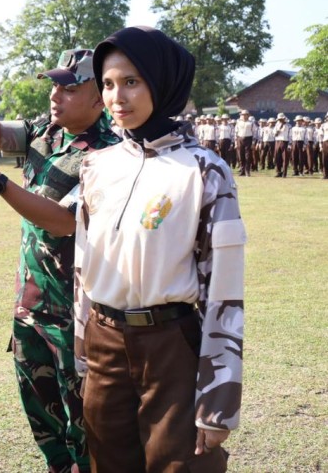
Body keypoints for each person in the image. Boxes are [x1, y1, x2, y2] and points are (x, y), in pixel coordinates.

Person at [0, 48, 120, 473]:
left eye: (70, 87)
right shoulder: (43, 133)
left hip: (77, 312)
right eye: (54, 85)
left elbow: (64, 222)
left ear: (98, 95)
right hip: (31, 305)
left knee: (84, 420)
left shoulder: (110, 152)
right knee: (42, 413)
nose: (56, 94)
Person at [74, 26, 245, 472]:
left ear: (163, 82)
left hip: (172, 345)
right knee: (106, 462)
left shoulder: (205, 171)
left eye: (131, 81)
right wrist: (83, 355)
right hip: (104, 340)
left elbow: (222, 287)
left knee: (180, 465)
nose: (117, 96)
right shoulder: (96, 166)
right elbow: (83, 263)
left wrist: (218, 400)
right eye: (108, 84)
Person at [274, 113, 290, 177]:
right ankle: (278, 172)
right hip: (277, 141)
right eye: (279, 119)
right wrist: (279, 129)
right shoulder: (276, 126)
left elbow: (290, 135)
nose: (280, 120)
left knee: (285, 158)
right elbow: (275, 134)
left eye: (282, 119)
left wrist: (290, 144)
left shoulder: (288, 126)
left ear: (284, 119)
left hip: (285, 142)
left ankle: (284, 173)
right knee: (277, 157)